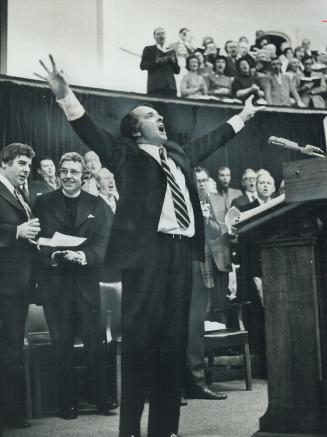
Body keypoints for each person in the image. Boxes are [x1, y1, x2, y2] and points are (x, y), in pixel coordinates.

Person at [36, 54, 263, 437]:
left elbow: (212, 139)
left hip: (179, 257)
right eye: (149, 115)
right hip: (147, 260)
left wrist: (243, 116)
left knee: (173, 346)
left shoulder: (177, 154)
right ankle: (129, 431)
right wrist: (65, 95)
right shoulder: (125, 155)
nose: (159, 117)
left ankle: (165, 430)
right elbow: (89, 130)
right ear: (135, 129)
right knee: (141, 348)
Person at [33, 152, 117, 420]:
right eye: (64, 171)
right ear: (58, 174)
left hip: (86, 283)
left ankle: (102, 400)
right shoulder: (43, 203)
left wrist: (84, 256)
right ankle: (66, 404)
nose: (69, 176)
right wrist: (52, 254)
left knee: (94, 343)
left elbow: (104, 243)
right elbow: (36, 241)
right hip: (55, 283)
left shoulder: (97, 204)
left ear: (84, 176)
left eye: (74, 172)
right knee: (62, 345)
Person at [0, 143, 40, 429]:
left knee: (11, 349)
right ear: (4, 163)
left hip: (17, 285)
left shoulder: (20, 192)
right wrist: (16, 231)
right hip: (4, 286)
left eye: (28, 165)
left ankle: (10, 414)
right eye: (21, 164)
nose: (26, 170)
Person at [186, 167, 232, 400]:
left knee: (195, 328)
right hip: (178, 268)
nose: (202, 185)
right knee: (175, 328)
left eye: (205, 180)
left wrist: (205, 218)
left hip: (201, 269)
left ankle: (197, 383)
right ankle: (175, 386)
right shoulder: (180, 196)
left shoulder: (208, 202)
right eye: (198, 181)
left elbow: (216, 233)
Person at [140, 27, 180, 97]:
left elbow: (177, 71)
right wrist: (156, 62)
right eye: (158, 34)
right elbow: (142, 66)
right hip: (155, 86)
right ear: (154, 37)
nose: (161, 35)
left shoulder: (171, 50)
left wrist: (173, 62)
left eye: (163, 33)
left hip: (170, 87)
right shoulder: (149, 49)